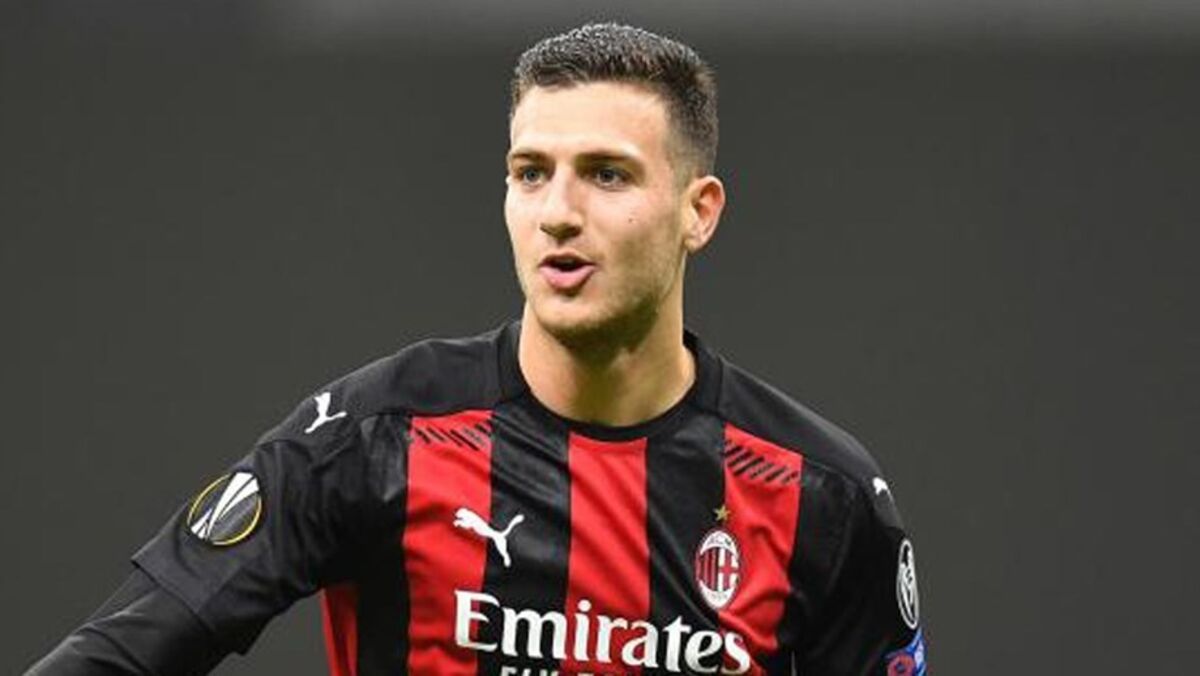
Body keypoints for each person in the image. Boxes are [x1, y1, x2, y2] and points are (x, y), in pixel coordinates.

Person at [27, 22, 925, 676]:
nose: (558, 213)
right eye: (531, 173)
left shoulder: (821, 496)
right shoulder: (375, 438)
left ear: (700, 211)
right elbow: (122, 652)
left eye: (606, 174)